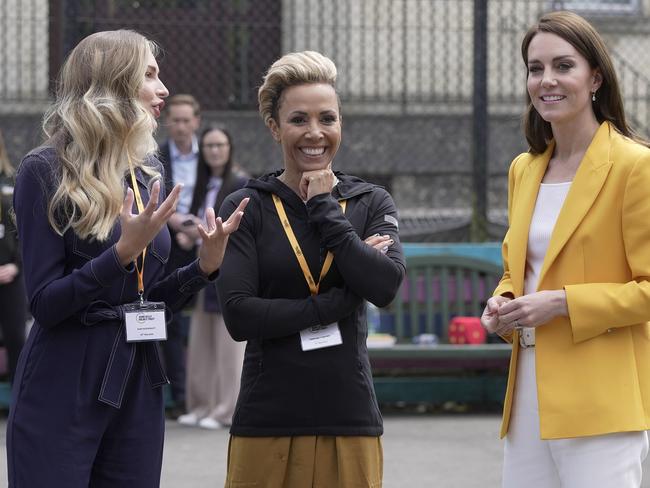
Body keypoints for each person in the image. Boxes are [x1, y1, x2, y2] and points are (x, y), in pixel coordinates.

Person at [7, 30, 247, 487]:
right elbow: (44, 303)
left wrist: (204, 268)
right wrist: (119, 254)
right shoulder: (43, 170)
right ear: (114, 83)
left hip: (136, 378)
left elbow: (148, 300)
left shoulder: (143, 172)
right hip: (63, 379)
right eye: (150, 75)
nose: (164, 89)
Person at [217, 51, 405, 488]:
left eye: (328, 119)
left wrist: (325, 209)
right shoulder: (246, 206)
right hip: (267, 418)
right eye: (299, 119)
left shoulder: (370, 202)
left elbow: (386, 285)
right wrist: (339, 300)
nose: (314, 133)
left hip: (348, 414)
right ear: (274, 127)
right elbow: (240, 315)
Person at [481, 11, 650, 488]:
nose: (546, 80)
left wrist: (563, 304)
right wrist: (505, 302)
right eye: (535, 69)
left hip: (602, 400)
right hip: (528, 395)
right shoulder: (525, 169)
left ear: (595, 76)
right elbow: (519, 270)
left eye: (562, 66)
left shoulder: (636, 167)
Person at [176, 124, 248, 429]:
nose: (214, 151)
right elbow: (191, 227)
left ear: (229, 148)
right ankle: (201, 404)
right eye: (208, 146)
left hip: (228, 266)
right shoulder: (202, 184)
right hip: (202, 266)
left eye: (219, 145)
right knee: (201, 338)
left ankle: (225, 410)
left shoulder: (241, 183)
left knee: (228, 342)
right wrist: (188, 234)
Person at [157, 93, 202, 416]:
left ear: (196, 122)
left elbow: (223, 191)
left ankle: (205, 396)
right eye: (175, 120)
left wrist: (196, 231)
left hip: (203, 242)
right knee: (168, 320)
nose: (181, 127)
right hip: (169, 244)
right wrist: (176, 226)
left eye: (187, 120)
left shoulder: (212, 155)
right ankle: (178, 397)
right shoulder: (155, 157)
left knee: (205, 322)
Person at [0, 129, 26, 384]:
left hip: (11, 275)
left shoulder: (10, 180)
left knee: (16, 337)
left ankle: (19, 395)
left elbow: (26, 231)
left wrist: (16, 266)